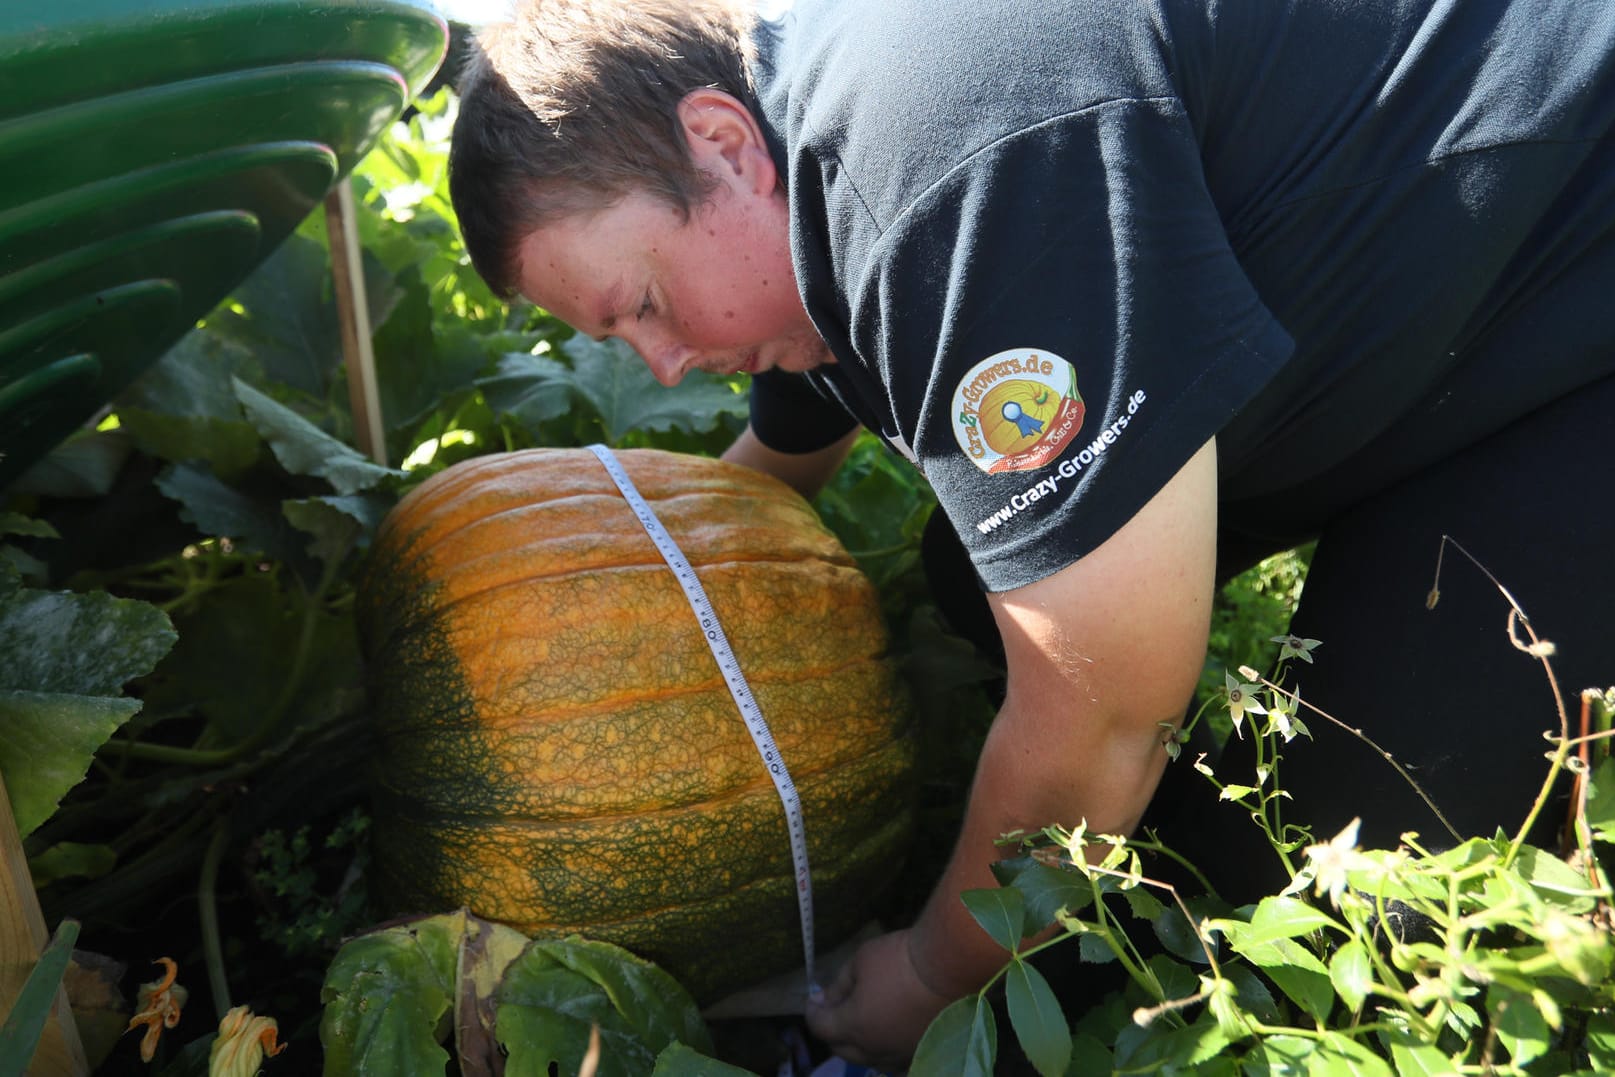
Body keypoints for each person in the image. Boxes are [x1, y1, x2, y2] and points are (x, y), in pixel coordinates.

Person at [446, 0, 1615, 1066]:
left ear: (721, 142)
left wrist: (923, 977)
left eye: (642, 307)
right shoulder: (796, 204)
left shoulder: (935, 168)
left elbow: (1101, 708)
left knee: (1327, 904)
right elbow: (776, 471)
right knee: (978, 576)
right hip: (1418, 312)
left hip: (1575, 296)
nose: (663, 363)